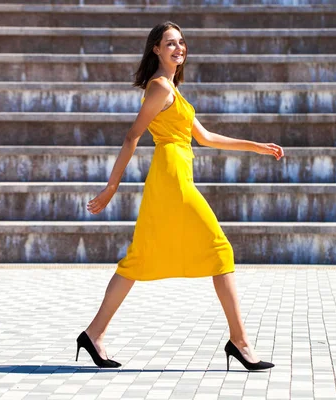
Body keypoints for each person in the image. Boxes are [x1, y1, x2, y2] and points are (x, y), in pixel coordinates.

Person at [77, 21, 284, 372]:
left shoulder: (174, 91)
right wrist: (112, 187)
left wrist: (257, 147)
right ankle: (240, 341)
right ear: (156, 49)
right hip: (172, 178)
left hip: (174, 175)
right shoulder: (160, 88)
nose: (178, 48)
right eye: (170, 43)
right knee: (220, 249)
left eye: (182, 43)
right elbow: (132, 137)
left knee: (138, 259)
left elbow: (205, 138)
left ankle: (93, 334)